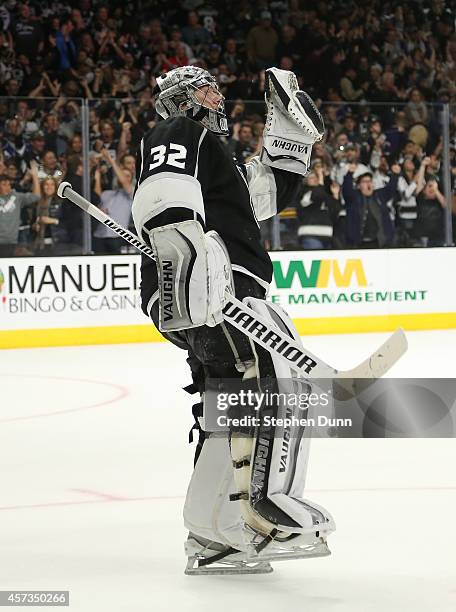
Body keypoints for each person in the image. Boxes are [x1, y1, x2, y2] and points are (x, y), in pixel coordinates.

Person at [131, 66, 335, 574]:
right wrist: (185, 269)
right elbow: (162, 197)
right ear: (181, 99)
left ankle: (213, 537)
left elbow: (257, 198)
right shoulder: (180, 131)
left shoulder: (213, 152)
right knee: (275, 375)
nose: (216, 95)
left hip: (212, 290)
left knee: (227, 409)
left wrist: (290, 143)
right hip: (213, 288)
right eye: (204, 88)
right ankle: (268, 509)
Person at [0, 166, 40, 256]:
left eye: (9, 184)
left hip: (11, 242)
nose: (8, 187)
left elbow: (36, 196)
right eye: (4, 184)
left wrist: (35, 176)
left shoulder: (17, 197)